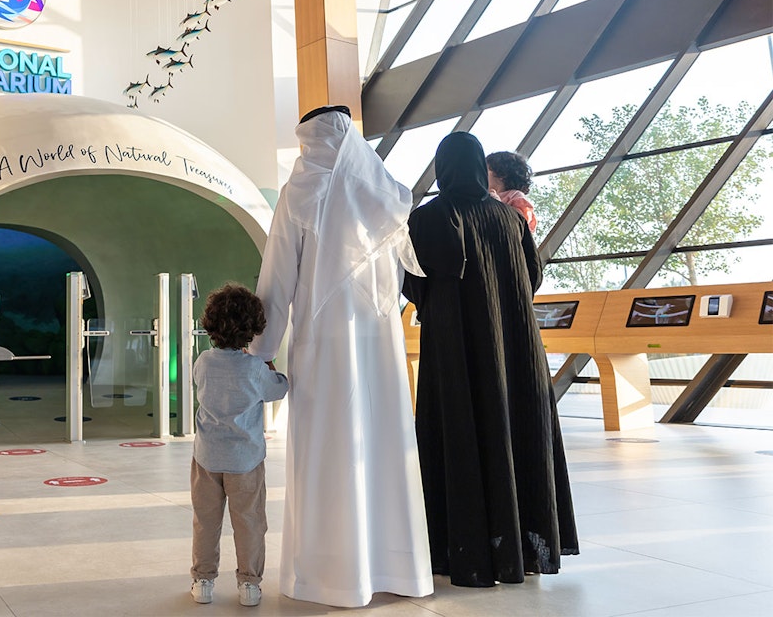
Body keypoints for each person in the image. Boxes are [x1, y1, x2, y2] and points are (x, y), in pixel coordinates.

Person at [248, 105, 433, 607]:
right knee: (381, 443)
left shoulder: (300, 191)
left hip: (324, 343)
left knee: (327, 449)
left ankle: (330, 573)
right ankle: (394, 566)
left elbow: (278, 276)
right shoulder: (385, 190)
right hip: (379, 342)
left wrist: (260, 349)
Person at [403, 131, 578, 588]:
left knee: (461, 431)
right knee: (516, 430)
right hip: (514, 343)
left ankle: (461, 549)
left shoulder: (429, 217)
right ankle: (522, 549)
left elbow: (414, 282)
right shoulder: (510, 218)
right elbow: (531, 277)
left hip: (457, 346)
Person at [190, 282, 289, 608]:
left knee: (206, 521)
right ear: (253, 328)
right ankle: (249, 584)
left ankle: (203, 581)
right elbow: (278, 389)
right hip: (245, 460)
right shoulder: (253, 369)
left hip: (206, 457)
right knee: (249, 522)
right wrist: (274, 371)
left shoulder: (203, 362)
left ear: (210, 324)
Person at [486, 150, 537, 233]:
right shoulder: (486, 196)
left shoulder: (516, 196)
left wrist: (496, 204)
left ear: (501, 174)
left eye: (485, 170)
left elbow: (519, 223)